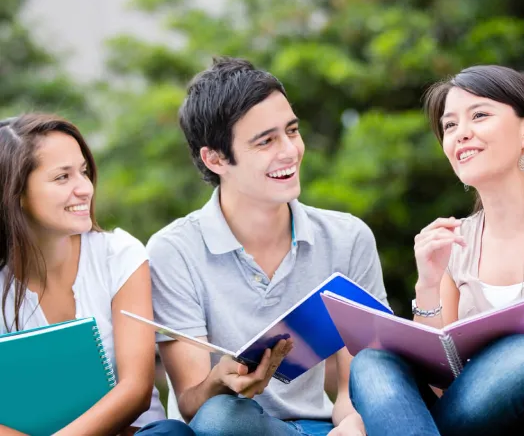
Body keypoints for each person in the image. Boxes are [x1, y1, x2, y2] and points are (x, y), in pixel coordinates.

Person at [348, 65, 524, 436]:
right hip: (475, 422)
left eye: (479, 116)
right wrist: (429, 283)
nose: (461, 134)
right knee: (372, 362)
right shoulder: (455, 243)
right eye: (449, 126)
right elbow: (438, 383)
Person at [147, 57, 388, 436]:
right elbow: (193, 405)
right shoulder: (173, 251)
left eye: (292, 131)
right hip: (228, 429)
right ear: (215, 158)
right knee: (221, 418)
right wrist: (218, 382)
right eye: (266, 141)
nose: (290, 151)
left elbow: (356, 386)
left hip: (317, 427)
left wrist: (354, 424)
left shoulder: (347, 238)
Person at [0, 114, 193, 436]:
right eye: (63, 177)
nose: (85, 189)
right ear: (15, 193)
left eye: (84, 172)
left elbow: (136, 389)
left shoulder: (118, 255)